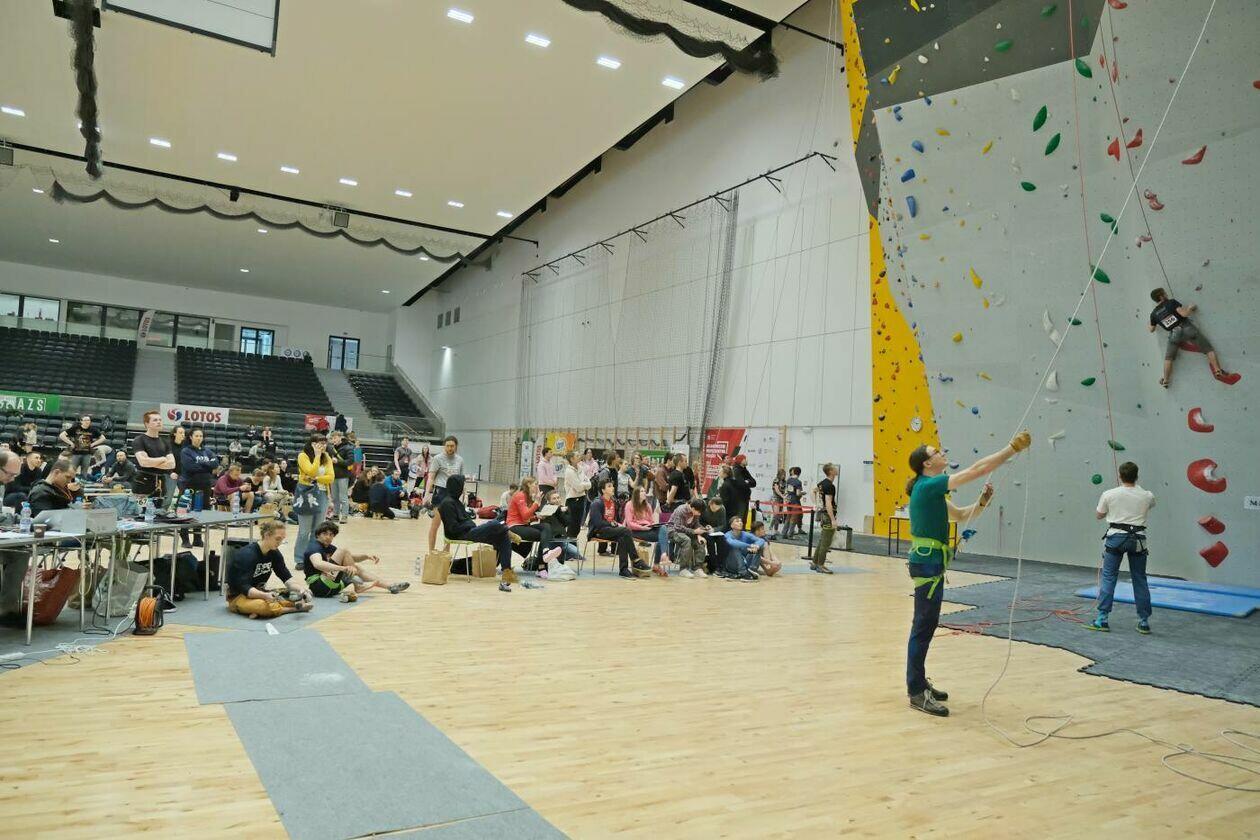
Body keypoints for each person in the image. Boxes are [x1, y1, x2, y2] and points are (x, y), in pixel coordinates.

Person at [903, 431, 1030, 717]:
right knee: (923, 627)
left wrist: (982, 502)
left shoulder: (931, 490)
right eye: (936, 452)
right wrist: (1011, 449)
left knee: (925, 626)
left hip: (931, 561)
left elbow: (961, 516)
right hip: (928, 562)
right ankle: (916, 691)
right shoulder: (928, 485)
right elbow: (977, 470)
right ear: (927, 464)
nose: (941, 453)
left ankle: (918, 681)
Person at [1088, 461, 1156, 634]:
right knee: (1139, 578)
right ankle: (1144, 621)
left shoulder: (1109, 494)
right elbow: (1149, 505)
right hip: (1138, 539)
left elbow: (1099, 515)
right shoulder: (1147, 495)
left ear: (1120, 476)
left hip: (1116, 538)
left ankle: (1102, 619)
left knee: (1109, 577)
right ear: (1137, 476)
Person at [435, 474, 521, 585]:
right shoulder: (447, 503)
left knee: (502, 536)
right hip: (461, 534)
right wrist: (469, 525)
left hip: (469, 531)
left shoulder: (456, 501)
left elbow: (467, 519)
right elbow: (453, 528)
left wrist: (469, 524)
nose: (464, 488)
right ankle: (506, 530)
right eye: (462, 486)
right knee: (495, 523)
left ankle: (507, 571)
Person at [1147, 287, 1235, 387]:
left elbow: (1151, 329)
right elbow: (1184, 314)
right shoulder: (1171, 302)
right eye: (1164, 293)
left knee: (1168, 358)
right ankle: (1218, 370)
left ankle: (1166, 380)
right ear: (1161, 296)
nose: (1166, 295)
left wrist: (1151, 322)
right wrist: (1190, 308)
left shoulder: (1153, 314)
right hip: (1187, 328)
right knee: (1208, 349)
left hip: (1174, 335)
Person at [224, 519, 313, 618]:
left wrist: (301, 589)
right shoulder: (247, 555)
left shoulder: (274, 553)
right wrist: (264, 596)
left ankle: (259, 611)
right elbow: (244, 587)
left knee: (293, 594)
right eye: (277, 539)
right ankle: (291, 609)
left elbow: (286, 577)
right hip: (239, 595)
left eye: (282, 539)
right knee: (263, 605)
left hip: (260, 591)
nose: (280, 542)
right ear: (266, 535)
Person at [302, 520, 409, 602]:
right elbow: (318, 564)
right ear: (318, 535)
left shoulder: (329, 547)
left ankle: (390, 586)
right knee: (344, 552)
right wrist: (343, 568)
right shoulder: (314, 547)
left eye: (331, 535)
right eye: (325, 534)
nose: (328, 537)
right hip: (319, 587)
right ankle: (358, 585)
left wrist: (366, 556)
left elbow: (349, 557)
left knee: (355, 566)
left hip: (331, 588)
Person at [586, 480, 648, 579]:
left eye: (612, 486)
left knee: (623, 537)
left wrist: (617, 524)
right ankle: (636, 559)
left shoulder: (613, 502)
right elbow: (597, 523)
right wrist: (611, 524)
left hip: (610, 530)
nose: (613, 488)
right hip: (598, 531)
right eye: (609, 486)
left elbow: (615, 520)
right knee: (625, 531)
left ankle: (623, 570)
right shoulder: (596, 503)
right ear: (603, 490)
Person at [294, 434, 335, 564]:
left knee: (317, 530)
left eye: (324, 443)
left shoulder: (326, 457)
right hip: (307, 494)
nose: (323, 446)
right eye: (320, 443)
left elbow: (331, 477)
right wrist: (317, 456)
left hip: (322, 494)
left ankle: (312, 558)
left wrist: (316, 479)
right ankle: (299, 559)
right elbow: (311, 471)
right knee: (304, 531)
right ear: (312, 444)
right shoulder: (303, 456)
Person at [424, 435, 464, 552]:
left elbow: (461, 480)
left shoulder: (460, 460)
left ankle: (446, 552)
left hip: (453, 494)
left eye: (452, 446)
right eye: (447, 446)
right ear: (444, 446)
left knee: (449, 526)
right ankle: (431, 551)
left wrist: (463, 495)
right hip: (440, 493)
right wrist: (426, 494)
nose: (450, 448)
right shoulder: (437, 459)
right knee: (435, 525)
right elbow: (431, 477)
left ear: (456, 446)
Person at [623, 484, 670, 575]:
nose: (644, 493)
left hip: (648, 529)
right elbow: (629, 523)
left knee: (663, 529)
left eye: (645, 491)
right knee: (662, 537)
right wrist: (642, 527)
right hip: (635, 531)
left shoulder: (647, 505)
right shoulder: (629, 505)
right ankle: (657, 564)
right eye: (642, 491)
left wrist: (652, 525)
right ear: (636, 494)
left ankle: (663, 555)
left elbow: (651, 521)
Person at [132, 410, 175, 499]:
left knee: (159, 507)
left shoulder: (165, 442)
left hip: (161, 483)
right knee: (141, 508)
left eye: (160, 420)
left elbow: (172, 464)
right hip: (143, 482)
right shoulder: (139, 440)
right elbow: (143, 462)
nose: (159, 422)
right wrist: (163, 459)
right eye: (155, 420)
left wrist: (151, 462)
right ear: (147, 424)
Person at [179, 427, 218, 514]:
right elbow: (190, 467)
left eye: (201, 436)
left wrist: (201, 464)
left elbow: (215, 463)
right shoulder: (186, 451)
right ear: (191, 437)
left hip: (206, 485)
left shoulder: (207, 451)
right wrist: (208, 466)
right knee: (189, 510)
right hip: (190, 485)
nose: (199, 438)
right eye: (196, 436)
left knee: (204, 511)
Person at [667, 499, 710, 578]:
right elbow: (678, 527)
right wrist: (694, 531)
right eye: (699, 512)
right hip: (673, 531)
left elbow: (696, 524)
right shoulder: (681, 510)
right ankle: (683, 569)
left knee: (700, 542)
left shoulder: (695, 513)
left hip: (688, 532)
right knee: (687, 540)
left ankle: (697, 568)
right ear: (693, 508)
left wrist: (703, 529)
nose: (700, 514)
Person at [810, 464, 840, 575]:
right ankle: (820, 565)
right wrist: (833, 519)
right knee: (826, 542)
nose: (836, 469)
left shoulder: (822, 483)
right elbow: (828, 503)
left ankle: (814, 562)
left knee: (822, 540)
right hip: (827, 516)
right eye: (834, 468)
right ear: (831, 471)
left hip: (823, 514)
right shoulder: (830, 486)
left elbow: (813, 491)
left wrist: (816, 504)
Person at [505, 477, 543, 559]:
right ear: (528, 484)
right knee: (539, 534)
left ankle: (545, 553)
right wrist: (536, 503)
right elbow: (525, 516)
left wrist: (536, 517)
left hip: (524, 525)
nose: (537, 486)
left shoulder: (528, 496)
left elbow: (527, 518)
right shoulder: (520, 495)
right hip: (514, 526)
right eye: (535, 484)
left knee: (546, 527)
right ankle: (541, 559)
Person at [724, 516, 766, 581]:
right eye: (737, 521)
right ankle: (743, 573)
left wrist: (756, 546)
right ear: (732, 525)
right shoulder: (727, 534)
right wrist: (749, 546)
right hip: (731, 564)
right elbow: (732, 542)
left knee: (760, 547)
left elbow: (761, 540)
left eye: (741, 521)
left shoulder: (745, 534)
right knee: (735, 547)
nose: (740, 523)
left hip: (744, 562)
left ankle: (752, 570)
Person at [561, 451, 591, 539]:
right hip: (572, 500)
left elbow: (589, 483)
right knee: (572, 527)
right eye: (577, 455)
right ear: (572, 459)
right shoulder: (569, 471)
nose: (580, 456)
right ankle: (569, 546)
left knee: (578, 527)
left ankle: (573, 545)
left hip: (581, 498)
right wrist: (584, 485)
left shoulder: (581, 468)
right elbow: (578, 487)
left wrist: (584, 485)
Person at [329, 430, 353, 524]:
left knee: (343, 497)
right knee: (335, 497)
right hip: (333, 476)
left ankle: (344, 516)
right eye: (332, 438)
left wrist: (337, 461)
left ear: (340, 437)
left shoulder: (348, 448)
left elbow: (350, 462)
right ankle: (335, 515)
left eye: (335, 438)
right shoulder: (331, 448)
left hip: (343, 476)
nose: (333, 440)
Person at [727, 454, 756, 526]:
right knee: (740, 518)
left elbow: (754, 482)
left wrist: (746, 481)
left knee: (744, 519)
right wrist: (747, 482)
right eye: (744, 459)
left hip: (745, 498)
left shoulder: (744, 470)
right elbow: (740, 484)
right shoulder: (736, 470)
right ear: (741, 461)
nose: (746, 460)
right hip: (739, 499)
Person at [165, 425, 188, 505]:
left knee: (184, 495)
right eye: (180, 433)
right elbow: (164, 461)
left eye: (184, 433)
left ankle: (178, 508)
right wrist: (170, 472)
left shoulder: (186, 446)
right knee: (168, 497)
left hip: (182, 474)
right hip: (170, 474)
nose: (183, 435)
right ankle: (163, 510)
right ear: (174, 434)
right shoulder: (168, 445)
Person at [781, 466, 804, 539]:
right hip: (795, 501)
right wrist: (803, 493)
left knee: (788, 517)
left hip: (789, 500)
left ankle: (784, 533)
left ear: (793, 472)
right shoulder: (798, 482)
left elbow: (787, 491)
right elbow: (798, 493)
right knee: (793, 519)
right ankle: (790, 535)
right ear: (799, 473)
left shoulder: (789, 480)